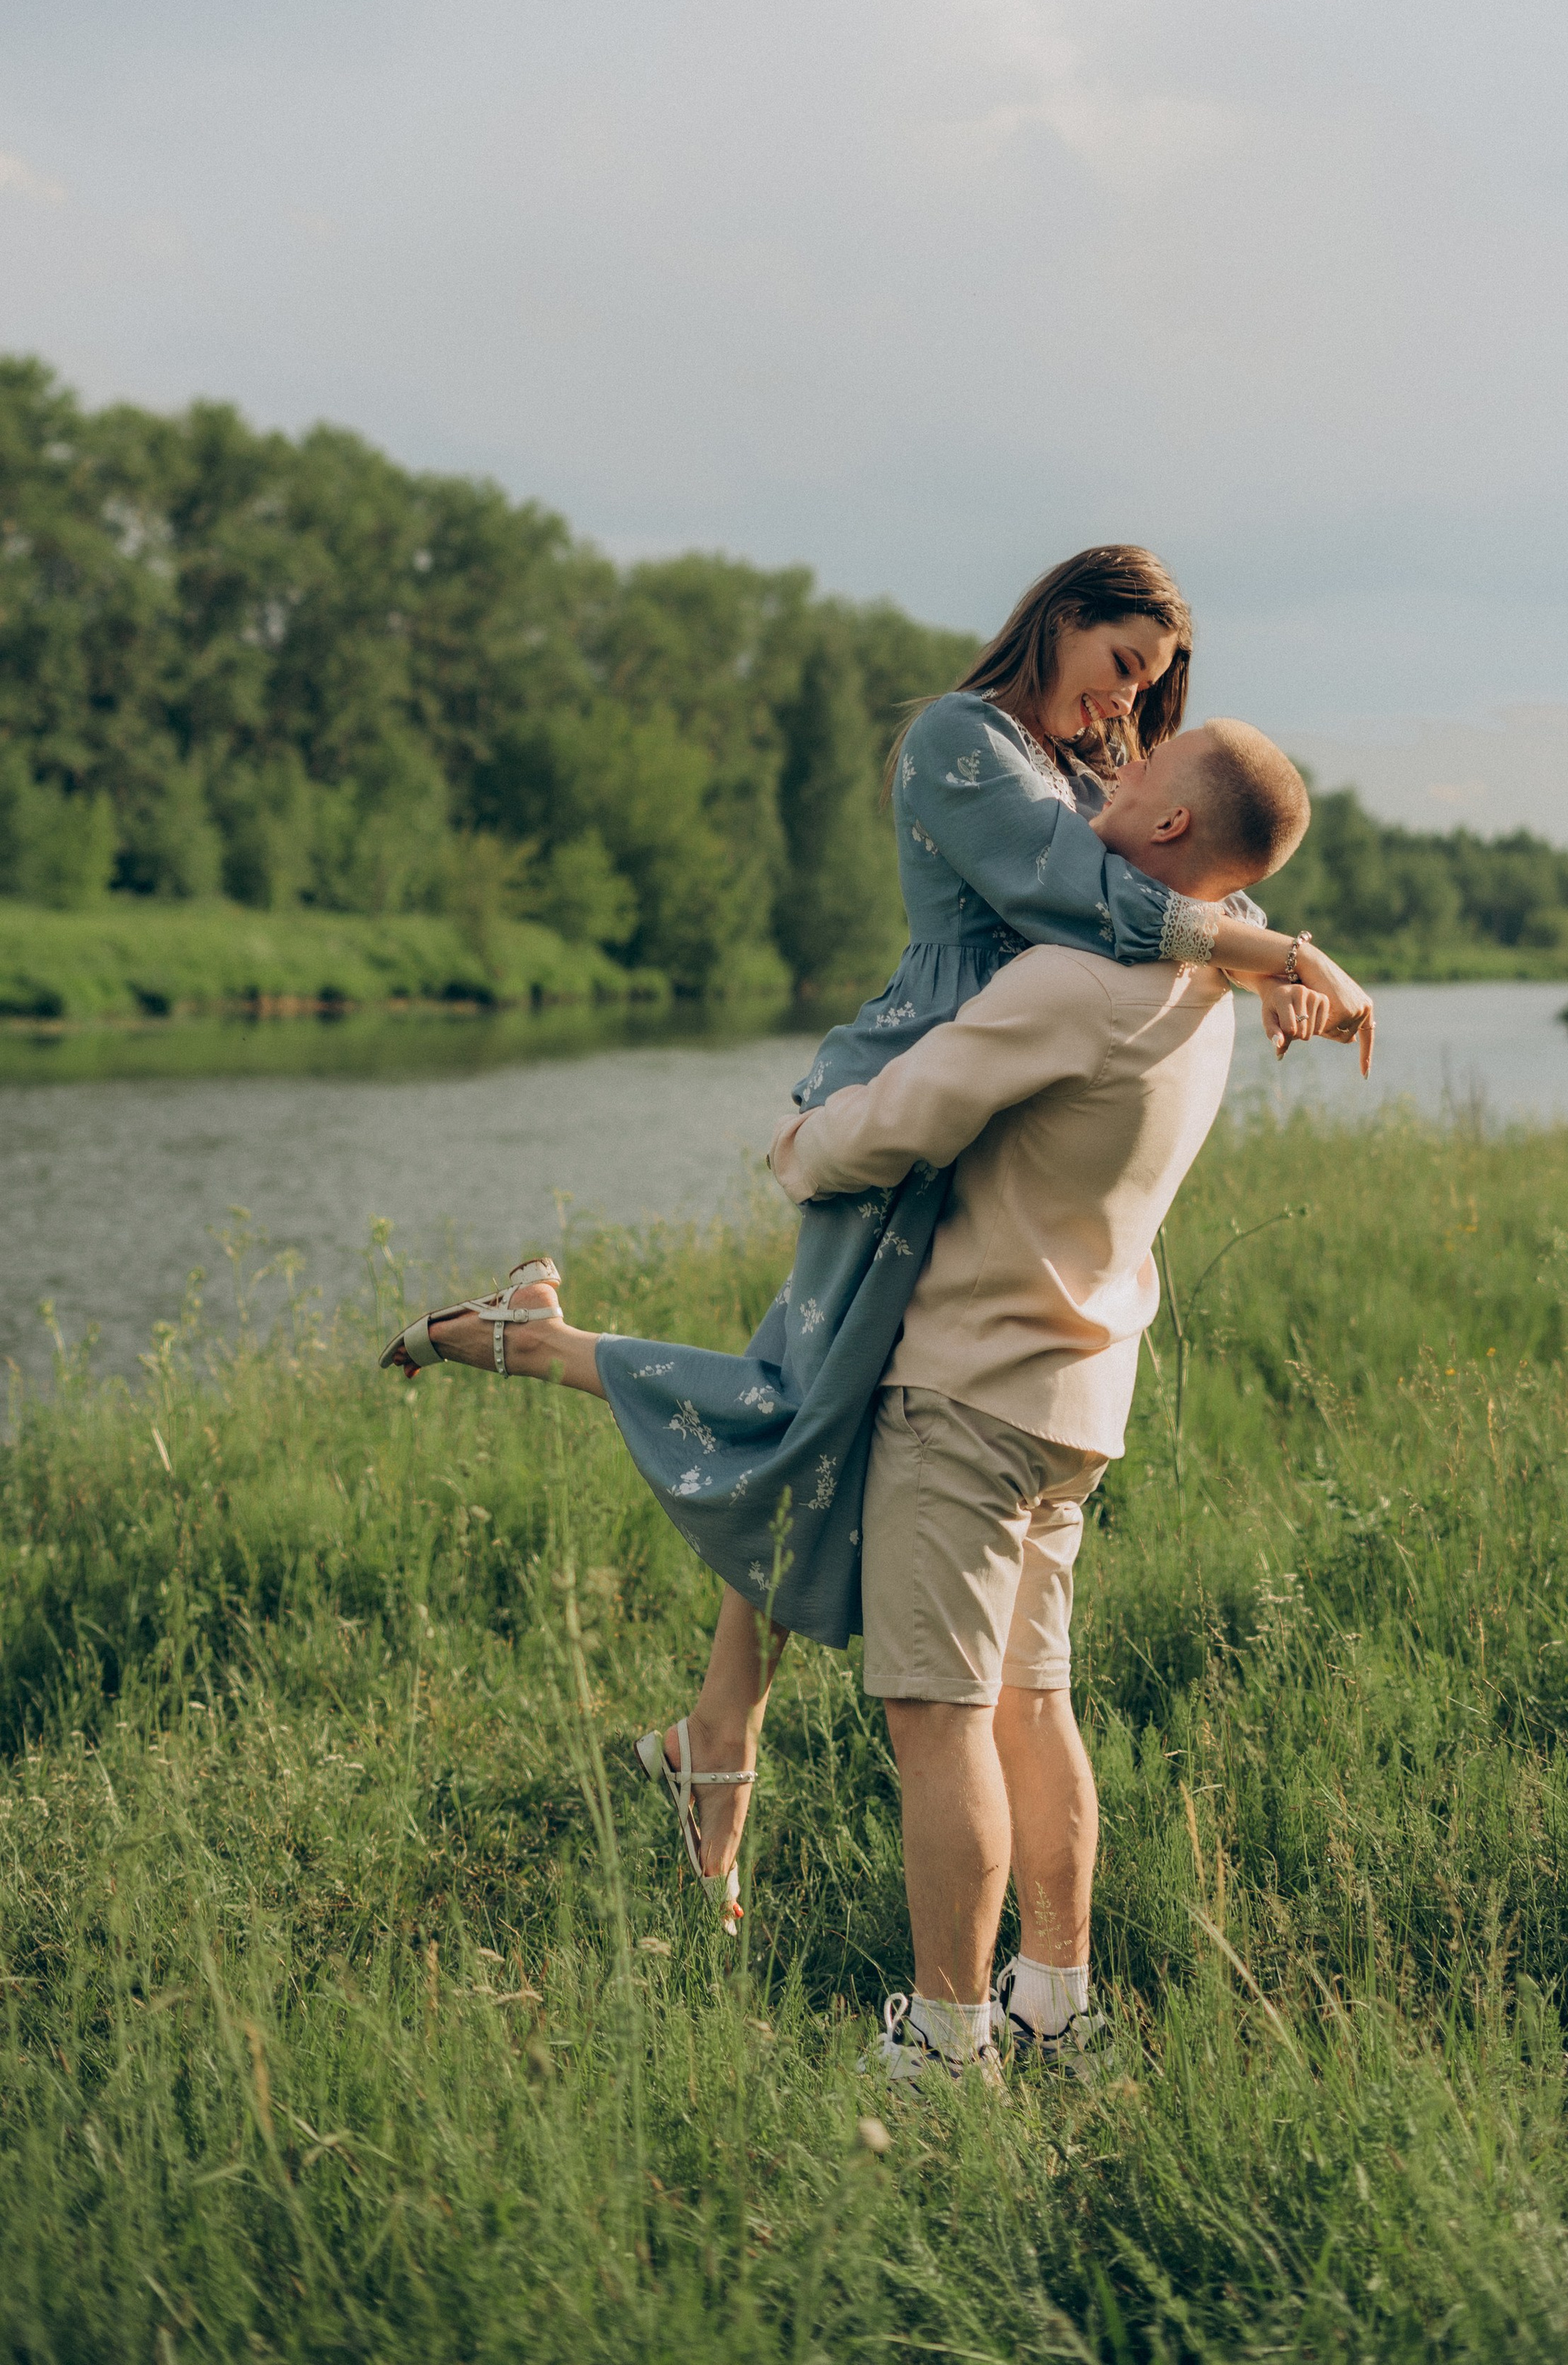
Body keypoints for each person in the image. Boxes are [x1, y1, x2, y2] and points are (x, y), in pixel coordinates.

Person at [380, 549, 1371, 1928]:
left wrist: (1271, 941)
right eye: (1122, 662)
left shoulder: (1100, 780)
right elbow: (1077, 888)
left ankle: (712, 1725)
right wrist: (1265, 955)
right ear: (1063, 616)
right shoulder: (963, 743)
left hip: (985, 1124)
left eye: (1152, 684)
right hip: (916, 1097)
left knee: (816, 1416)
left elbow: (1179, 858)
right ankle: (534, 1347)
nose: (1126, 705)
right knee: (803, 1406)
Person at [767, 718, 1310, 2083]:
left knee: (938, 1719)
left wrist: (797, 1149)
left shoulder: (1079, 983)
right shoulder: (1205, 1003)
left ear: (1171, 827)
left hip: (967, 1388)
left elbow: (905, 1113)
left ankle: (949, 2044)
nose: (1101, 789)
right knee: (1032, 1697)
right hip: (1077, 1400)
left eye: (1130, 782)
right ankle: (1057, 2001)